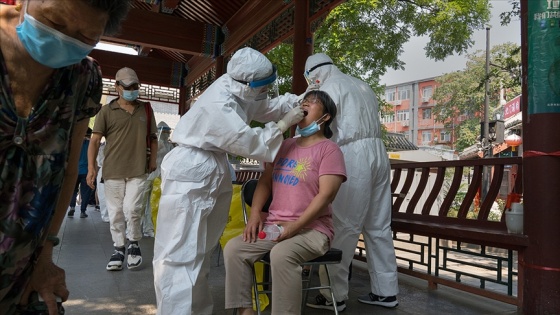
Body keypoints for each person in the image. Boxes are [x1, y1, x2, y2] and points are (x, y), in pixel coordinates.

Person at [0, 0, 130, 313]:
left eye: (85, 36)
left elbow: (67, 170)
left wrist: (45, 257)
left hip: (20, 273)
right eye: (54, 22)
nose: (63, 40)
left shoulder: (82, 78)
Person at [153, 47, 304, 315]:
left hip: (212, 167)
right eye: (263, 86)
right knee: (179, 254)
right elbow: (251, 142)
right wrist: (282, 126)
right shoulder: (218, 105)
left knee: (201, 253)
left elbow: (264, 106)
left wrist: (298, 101)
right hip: (191, 171)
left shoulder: (237, 87)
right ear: (247, 85)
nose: (266, 90)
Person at [224, 90, 347, 315]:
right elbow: (265, 183)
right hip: (276, 226)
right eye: (304, 100)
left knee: (281, 254)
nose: (305, 103)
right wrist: (255, 214)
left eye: (313, 101)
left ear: (325, 117)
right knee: (234, 249)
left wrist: (294, 226)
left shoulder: (329, 150)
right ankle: (245, 311)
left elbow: (326, 196)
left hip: (312, 230)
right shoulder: (284, 145)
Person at [303, 53, 400, 311]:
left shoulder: (326, 88)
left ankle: (333, 295)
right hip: (379, 154)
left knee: (343, 225)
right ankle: (386, 292)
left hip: (351, 156)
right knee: (378, 226)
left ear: (314, 75)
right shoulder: (360, 84)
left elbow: (316, 127)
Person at [87, 67, 158, 271]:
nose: (131, 90)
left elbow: (153, 138)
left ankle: (134, 243)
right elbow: (94, 141)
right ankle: (119, 247)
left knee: (132, 209)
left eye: (135, 86)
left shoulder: (146, 109)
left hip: (138, 169)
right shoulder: (106, 111)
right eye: (126, 86)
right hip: (113, 170)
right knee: (116, 212)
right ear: (117, 86)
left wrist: (153, 159)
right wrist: (92, 168)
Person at [141, 121, 174, 237]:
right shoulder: (153, 144)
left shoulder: (169, 146)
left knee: (153, 204)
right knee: (141, 203)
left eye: (167, 132)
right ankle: (135, 227)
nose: (166, 134)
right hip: (148, 177)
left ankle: (148, 227)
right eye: (165, 132)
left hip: (160, 178)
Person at [68, 128, 94, 219]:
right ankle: (83, 211)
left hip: (75, 171)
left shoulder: (75, 144)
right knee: (85, 192)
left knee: (73, 190)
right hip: (86, 172)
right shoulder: (91, 145)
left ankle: (72, 207)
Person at [96, 140, 110, 223]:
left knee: (103, 194)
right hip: (108, 170)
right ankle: (107, 215)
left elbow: (99, 161)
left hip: (103, 170)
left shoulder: (102, 146)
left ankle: (105, 215)